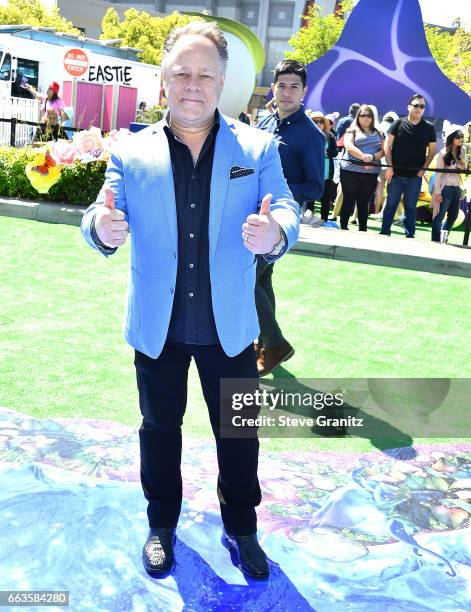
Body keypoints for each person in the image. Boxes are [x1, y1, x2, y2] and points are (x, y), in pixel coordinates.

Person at [80, 21, 299, 580]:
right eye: (182, 72)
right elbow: (99, 212)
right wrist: (100, 228)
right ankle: (161, 524)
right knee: (159, 428)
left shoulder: (257, 146)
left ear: (222, 81)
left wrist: (274, 233)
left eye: (205, 73)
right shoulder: (130, 150)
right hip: (158, 327)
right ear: (164, 80)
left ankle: (243, 529)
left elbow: (288, 211)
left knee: (238, 432)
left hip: (229, 327)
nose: (193, 84)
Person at [255, 59, 324, 376]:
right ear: (273, 88)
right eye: (281, 85)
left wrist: (278, 188)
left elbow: (316, 186)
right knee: (261, 278)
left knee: (246, 277)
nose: (286, 92)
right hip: (253, 214)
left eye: (294, 86)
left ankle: (275, 342)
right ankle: (264, 342)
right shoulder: (265, 124)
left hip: (281, 218)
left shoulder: (311, 135)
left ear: (304, 91)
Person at [380, 94, 436, 238]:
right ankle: (384, 232)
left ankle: (409, 236)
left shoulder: (429, 128)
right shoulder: (398, 123)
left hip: (415, 177)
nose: (419, 108)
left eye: (422, 106)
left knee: (411, 207)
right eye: (416, 105)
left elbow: (432, 151)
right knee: (391, 204)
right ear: (409, 107)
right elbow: (387, 145)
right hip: (396, 174)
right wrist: (389, 167)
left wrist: (422, 170)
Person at [339, 105, 384, 231]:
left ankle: (363, 230)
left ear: (373, 118)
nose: (366, 118)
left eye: (369, 115)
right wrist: (364, 157)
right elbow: (348, 146)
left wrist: (372, 157)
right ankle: (343, 228)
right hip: (349, 171)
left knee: (364, 202)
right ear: (358, 116)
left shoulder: (380, 133)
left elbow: (383, 150)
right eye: (363, 115)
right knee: (348, 199)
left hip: (371, 173)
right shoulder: (351, 130)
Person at [431, 126, 466, 242]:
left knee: (454, 216)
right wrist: (438, 192)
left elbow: (464, 169)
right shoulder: (443, 152)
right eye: (458, 137)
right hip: (445, 188)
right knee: (440, 215)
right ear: (451, 138)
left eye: (462, 136)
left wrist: (462, 166)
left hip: (456, 187)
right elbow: (438, 174)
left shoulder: (463, 151)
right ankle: (436, 240)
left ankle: (443, 237)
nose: (460, 139)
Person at [307, 111, 338, 222]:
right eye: (315, 121)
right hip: (309, 171)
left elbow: (335, 152)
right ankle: (308, 218)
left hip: (326, 172)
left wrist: (326, 152)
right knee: (310, 196)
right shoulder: (306, 135)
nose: (318, 123)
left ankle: (324, 220)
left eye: (321, 121)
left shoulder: (330, 136)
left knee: (325, 198)